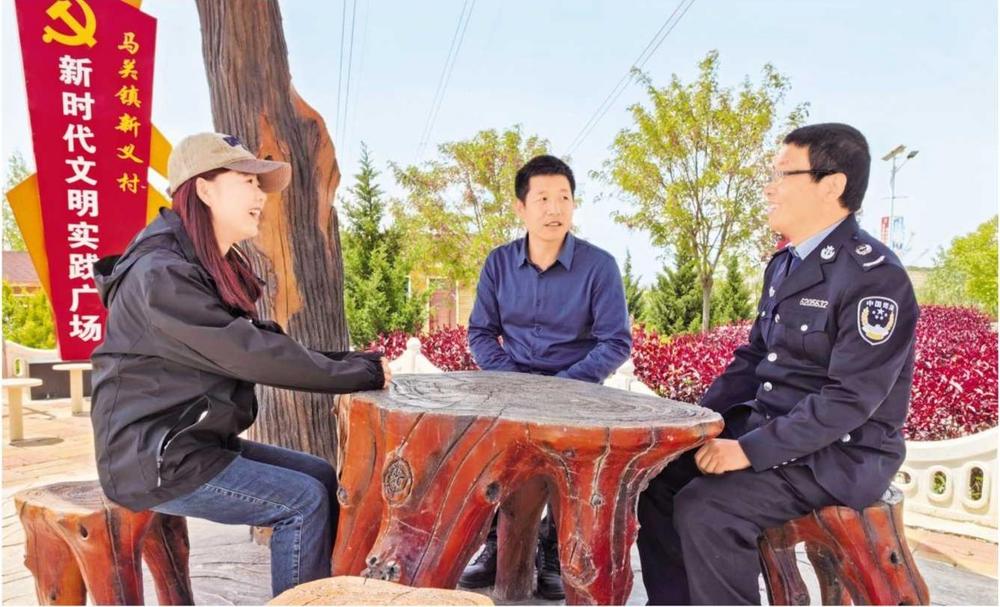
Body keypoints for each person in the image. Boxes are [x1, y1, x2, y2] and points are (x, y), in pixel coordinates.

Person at [90, 132, 392, 597]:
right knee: (302, 502)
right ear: (204, 190)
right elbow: (250, 354)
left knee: (318, 473)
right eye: (247, 182)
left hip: (187, 443)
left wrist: (352, 362)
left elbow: (254, 341)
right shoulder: (161, 274)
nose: (261, 196)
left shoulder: (195, 263)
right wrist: (361, 374)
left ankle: (323, 596)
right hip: (153, 459)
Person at [636, 123, 919, 605]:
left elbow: (850, 400)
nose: (769, 188)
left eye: (783, 174)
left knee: (708, 509)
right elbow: (753, 360)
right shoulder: (785, 265)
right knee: (657, 482)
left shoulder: (875, 278)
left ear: (831, 185)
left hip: (840, 454)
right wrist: (694, 423)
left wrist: (748, 451)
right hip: (770, 429)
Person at [463, 154, 632, 599]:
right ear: (521, 207)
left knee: (570, 467)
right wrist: (514, 381)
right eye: (542, 199)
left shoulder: (600, 266)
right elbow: (481, 333)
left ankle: (554, 550)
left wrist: (561, 386)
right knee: (490, 456)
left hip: (575, 392)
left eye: (564, 198)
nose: (554, 208)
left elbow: (615, 342)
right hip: (512, 389)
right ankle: (497, 543)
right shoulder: (499, 264)